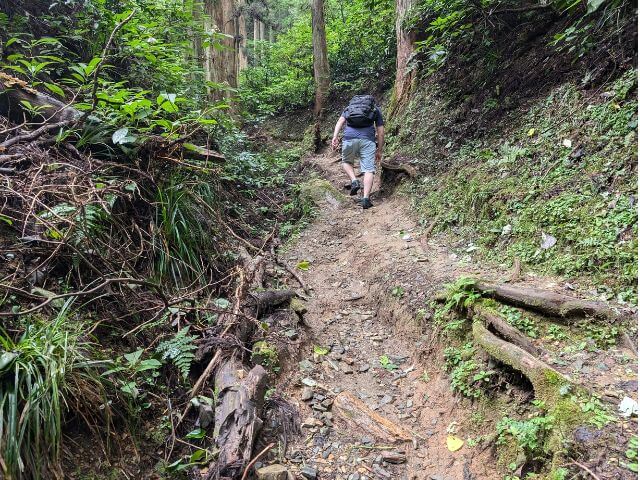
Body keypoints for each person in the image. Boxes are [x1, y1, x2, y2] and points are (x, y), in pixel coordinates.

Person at [331, 95, 385, 209]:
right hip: (368, 141)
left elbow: (340, 121)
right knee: (368, 169)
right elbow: (380, 132)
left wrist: (335, 136)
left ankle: (354, 180)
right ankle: (365, 199)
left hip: (349, 138)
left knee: (346, 162)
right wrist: (379, 149)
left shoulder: (349, 107)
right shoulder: (375, 109)